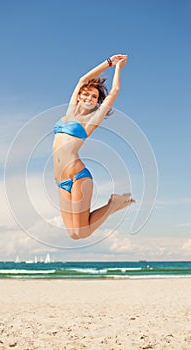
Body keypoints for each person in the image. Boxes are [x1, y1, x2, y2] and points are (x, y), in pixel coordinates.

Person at [53, 54, 135, 240]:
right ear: (80, 94)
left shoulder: (90, 121)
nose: (89, 97)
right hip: (60, 181)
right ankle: (114, 205)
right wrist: (108, 62)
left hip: (78, 177)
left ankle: (112, 205)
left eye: (94, 97)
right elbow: (83, 79)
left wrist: (118, 69)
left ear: (97, 103)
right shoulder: (69, 112)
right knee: (73, 234)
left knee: (83, 232)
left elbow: (114, 91)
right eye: (87, 93)